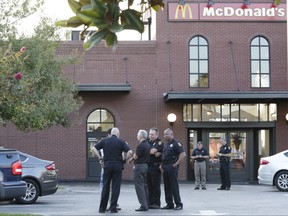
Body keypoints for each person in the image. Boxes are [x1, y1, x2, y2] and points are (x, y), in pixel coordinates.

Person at [93, 127, 133, 213]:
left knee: (105, 186)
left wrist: (100, 158)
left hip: (107, 165)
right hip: (117, 165)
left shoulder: (104, 141)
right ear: (118, 134)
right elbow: (130, 152)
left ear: (111, 133)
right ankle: (113, 207)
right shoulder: (121, 141)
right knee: (115, 187)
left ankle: (102, 208)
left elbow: (94, 148)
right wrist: (125, 159)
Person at [160, 128, 186, 210]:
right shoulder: (166, 144)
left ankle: (178, 204)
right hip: (165, 167)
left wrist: (176, 163)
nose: (165, 136)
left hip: (172, 167)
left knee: (174, 186)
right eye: (164, 134)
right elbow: (164, 156)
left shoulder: (176, 143)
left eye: (167, 134)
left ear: (172, 134)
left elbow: (183, 154)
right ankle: (169, 204)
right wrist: (161, 165)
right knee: (167, 186)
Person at [128, 130, 150, 211]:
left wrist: (131, 157)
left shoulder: (140, 145)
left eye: (138, 135)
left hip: (139, 166)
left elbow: (136, 156)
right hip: (145, 166)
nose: (137, 136)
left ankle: (143, 205)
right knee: (144, 185)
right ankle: (147, 203)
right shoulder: (147, 144)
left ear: (141, 136)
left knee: (139, 186)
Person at [147, 127, 163, 209]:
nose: (150, 136)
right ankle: (150, 202)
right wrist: (151, 151)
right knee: (149, 185)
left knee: (156, 186)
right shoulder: (147, 141)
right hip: (147, 166)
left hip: (155, 167)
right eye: (150, 134)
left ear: (157, 134)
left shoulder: (159, 142)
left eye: (152, 134)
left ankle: (156, 203)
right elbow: (147, 151)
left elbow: (151, 151)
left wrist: (152, 151)